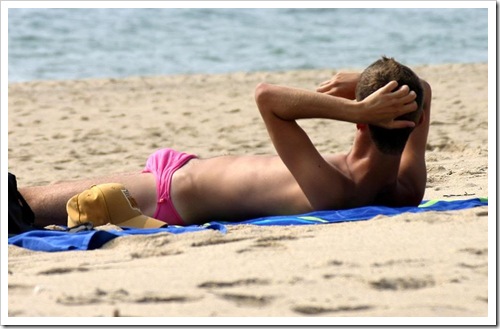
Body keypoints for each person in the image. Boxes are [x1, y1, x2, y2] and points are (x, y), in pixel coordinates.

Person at [19, 56, 431, 228]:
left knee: (25, 205)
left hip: (165, 196)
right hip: (184, 172)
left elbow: (267, 96)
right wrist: (363, 88)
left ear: (362, 123)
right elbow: (422, 89)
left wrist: (356, 105)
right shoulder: (408, 188)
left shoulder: (334, 188)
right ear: (413, 126)